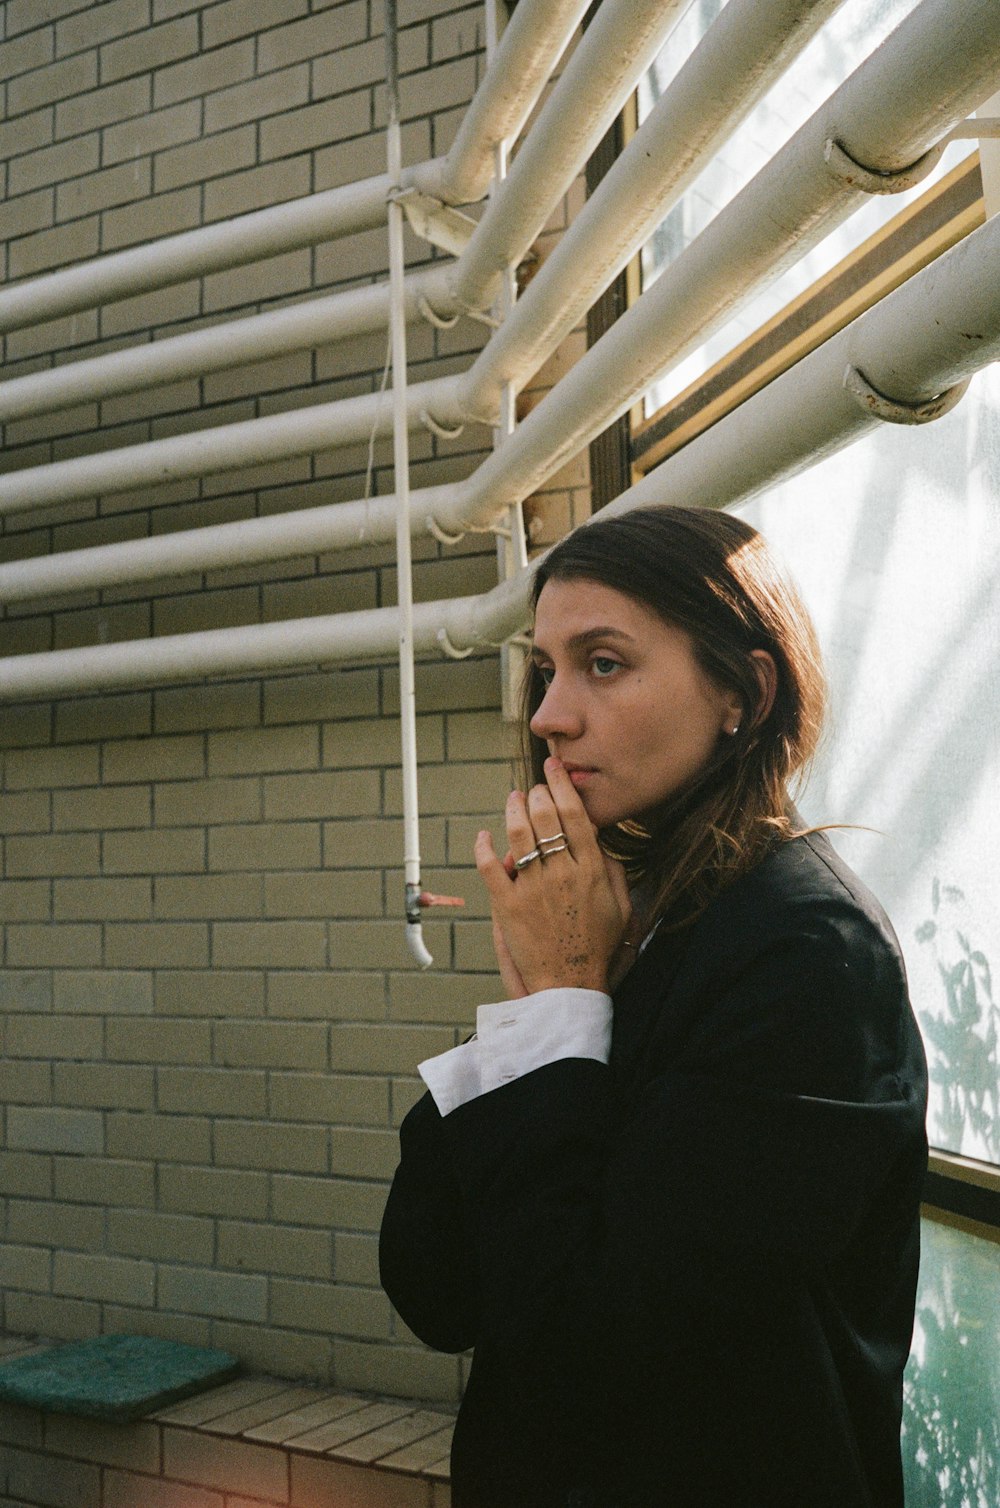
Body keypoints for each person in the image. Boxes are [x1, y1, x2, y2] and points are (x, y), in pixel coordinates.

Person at [379, 506, 928, 1508]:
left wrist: (557, 1012)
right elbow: (434, 1282)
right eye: (545, 667)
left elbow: (594, 1358)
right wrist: (547, 1006)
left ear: (743, 692)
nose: (548, 713)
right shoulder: (632, 918)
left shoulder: (807, 956)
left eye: (602, 663)